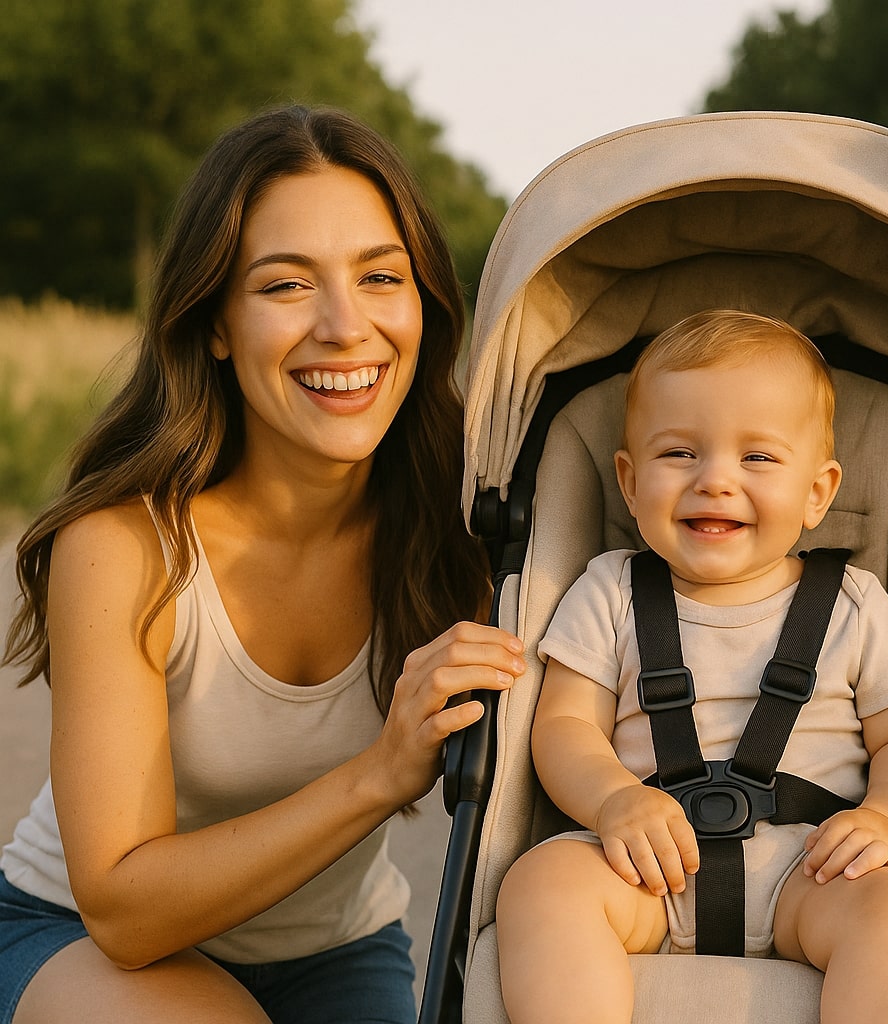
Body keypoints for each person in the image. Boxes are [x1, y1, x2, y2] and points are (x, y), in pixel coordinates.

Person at [0, 106, 524, 1024]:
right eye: (285, 286)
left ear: (424, 305)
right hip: (79, 941)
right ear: (212, 323)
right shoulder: (125, 548)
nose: (344, 326)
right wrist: (379, 771)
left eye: (380, 277)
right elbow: (122, 908)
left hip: (336, 955)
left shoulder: (471, 532)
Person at [493, 309, 888, 1023]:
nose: (715, 481)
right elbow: (563, 725)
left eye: (758, 458)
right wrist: (613, 799)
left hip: (811, 873)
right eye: (679, 454)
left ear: (818, 492)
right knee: (543, 883)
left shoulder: (854, 604)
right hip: (646, 865)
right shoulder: (608, 590)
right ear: (629, 480)